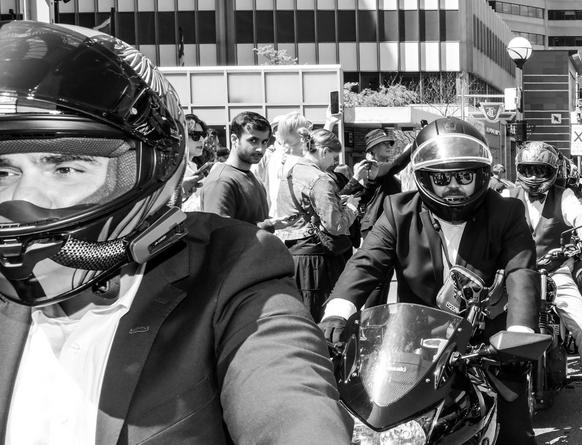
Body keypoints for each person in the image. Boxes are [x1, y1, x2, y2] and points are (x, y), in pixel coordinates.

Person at [0, 21, 351, 444]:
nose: (22, 198)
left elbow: (289, 402)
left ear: (142, 173)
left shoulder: (234, 269)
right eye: (5, 171)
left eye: (66, 168)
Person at [320, 117, 539, 444]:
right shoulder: (399, 210)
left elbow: (522, 271)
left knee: (515, 429)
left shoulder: (506, 212)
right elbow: (366, 263)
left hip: (487, 343)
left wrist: (520, 332)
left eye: (464, 176)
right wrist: (337, 312)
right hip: (416, 338)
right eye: (441, 178)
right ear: (423, 178)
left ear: (480, 175)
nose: (454, 186)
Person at [506, 141, 582, 418]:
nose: (534, 177)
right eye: (528, 170)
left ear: (552, 171)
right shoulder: (507, 195)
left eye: (540, 170)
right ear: (519, 170)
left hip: (555, 270)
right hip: (514, 272)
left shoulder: (565, 194)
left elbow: (579, 217)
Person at [269, 129, 357, 321]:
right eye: (334, 157)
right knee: (322, 319)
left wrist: (335, 203)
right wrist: (351, 208)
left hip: (294, 255)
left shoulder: (291, 173)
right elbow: (335, 225)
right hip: (318, 261)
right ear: (324, 151)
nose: (334, 163)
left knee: (299, 319)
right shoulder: (320, 179)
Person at [194, 111, 272, 226]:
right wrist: (268, 226)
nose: (260, 149)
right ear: (234, 139)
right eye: (253, 141)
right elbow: (219, 234)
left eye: (264, 142)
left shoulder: (254, 179)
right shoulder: (221, 181)